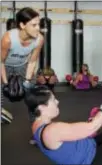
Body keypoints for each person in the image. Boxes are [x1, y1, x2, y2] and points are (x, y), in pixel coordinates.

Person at [1, 7, 44, 144]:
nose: (38, 28)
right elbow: (0, 61)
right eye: (34, 25)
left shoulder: (39, 39)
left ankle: (38, 133)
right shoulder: (8, 38)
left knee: (32, 100)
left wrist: (26, 81)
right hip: (5, 65)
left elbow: (32, 61)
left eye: (39, 24)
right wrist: (6, 83)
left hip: (23, 65)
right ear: (22, 25)